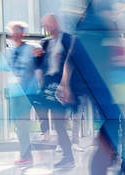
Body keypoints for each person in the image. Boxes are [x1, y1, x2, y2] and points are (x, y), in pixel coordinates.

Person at [33, 14, 80, 169]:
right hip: (48, 86)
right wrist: (36, 57)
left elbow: (74, 63)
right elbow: (39, 66)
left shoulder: (68, 39)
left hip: (63, 86)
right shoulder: (45, 43)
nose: (46, 28)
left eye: (48, 24)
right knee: (57, 123)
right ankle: (67, 155)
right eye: (44, 26)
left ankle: (68, 156)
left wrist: (68, 88)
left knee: (59, 124)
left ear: (55, 23)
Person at [0, 21, 40, 165]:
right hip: (14, 93)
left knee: (22, 124)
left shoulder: (32, 49)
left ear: (23, 33)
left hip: (27, 93)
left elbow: (39, 68)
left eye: (18, 31)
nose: (15, 34)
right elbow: (4, 72)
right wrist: (4, 91)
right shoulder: (7, 52)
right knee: (18, 124)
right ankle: (27, 152)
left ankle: (26, 155)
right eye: (13, 31)